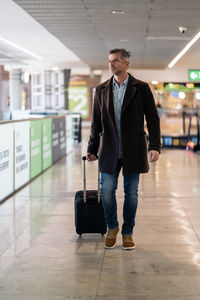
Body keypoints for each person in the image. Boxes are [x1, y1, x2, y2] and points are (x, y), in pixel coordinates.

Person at [87, 49, 161, 250]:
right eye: (110, 61)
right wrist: (92, 148)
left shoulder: (141, 88)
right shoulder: (101, 90)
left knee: (131, 193)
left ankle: (128, 232)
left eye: (116, 61)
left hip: (134, 150)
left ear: (126, 64)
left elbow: (153, 119)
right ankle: (112, 227)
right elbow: (96, 122)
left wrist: (154, 146)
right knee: (107, 191)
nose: (112, 64)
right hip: (109, 150)